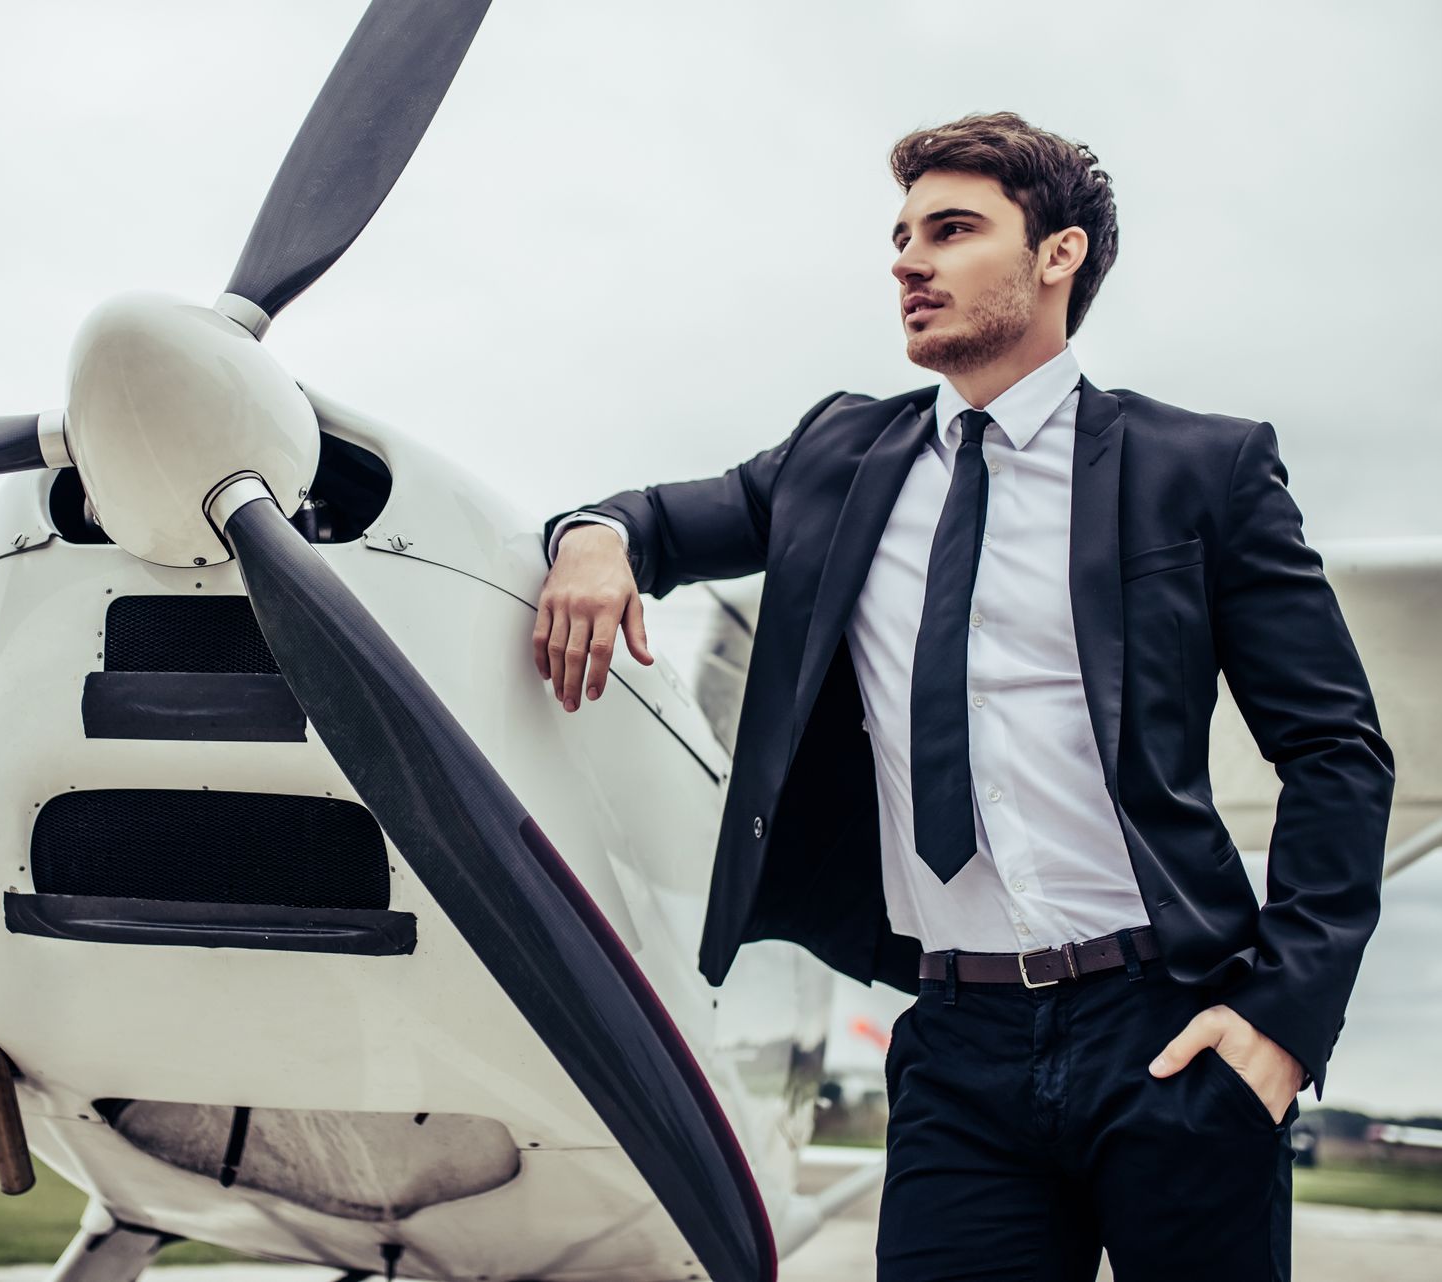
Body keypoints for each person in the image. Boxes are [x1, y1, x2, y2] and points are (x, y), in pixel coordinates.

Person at [530, 111, 1393, 1280]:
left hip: (1172, 1028)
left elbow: (1336, 749)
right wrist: (592, 537)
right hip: (955, 1047)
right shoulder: (836, 457)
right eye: (899, 236)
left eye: (951, 229)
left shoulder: (1206, 468)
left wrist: (1285, 1021)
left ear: (1058, 256)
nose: (906, 261)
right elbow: (662, 520)